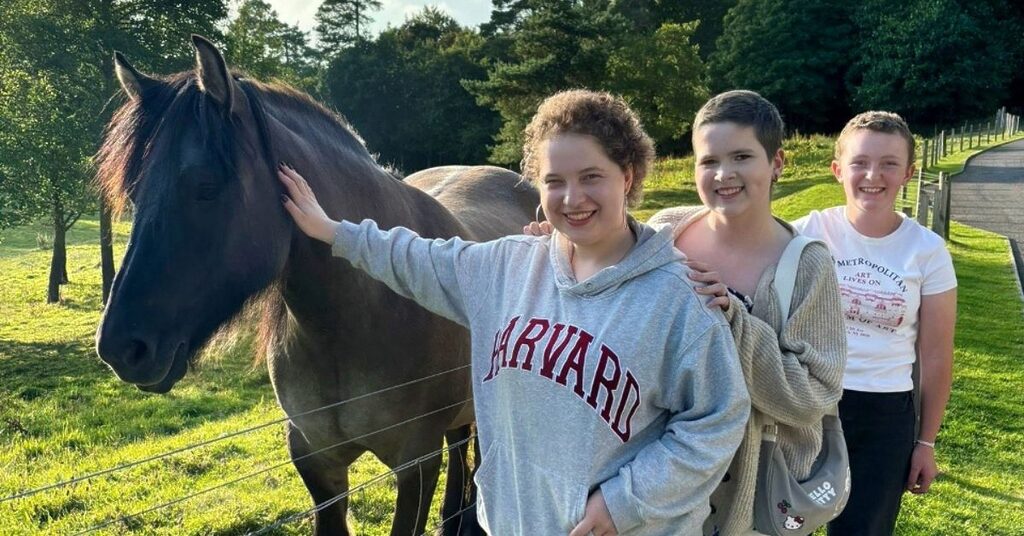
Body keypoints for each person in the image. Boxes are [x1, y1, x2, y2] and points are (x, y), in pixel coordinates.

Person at [278, 89, 750, 535]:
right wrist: (332, 231)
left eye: (591, 177)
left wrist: (622, 502)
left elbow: (718, 420)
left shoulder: (678, 299)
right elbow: (416, 258)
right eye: (554, 181)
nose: (572, 199)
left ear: (627, 176)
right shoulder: (508, 267)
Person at [525, 90, 848, 536]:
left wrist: (735, 322)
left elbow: (815, 393)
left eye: (741, 157)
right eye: (708, 160)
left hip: (749, 501)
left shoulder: (807, 265)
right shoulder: (665, 231)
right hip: (661, 487)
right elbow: (605, 300)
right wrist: (567, 241)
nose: (723, 174)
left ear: (776, 163)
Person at [791, 111, 957, 536]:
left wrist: (926, 443)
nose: (873, 175)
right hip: (808, 405)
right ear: (837, 170)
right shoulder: (806, 232)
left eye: (889, 164)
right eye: (860, 162)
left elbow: (935, 355)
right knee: (784, 522)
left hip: (884, 415)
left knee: (864, 530)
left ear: (908, 173)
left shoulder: (927, 250)